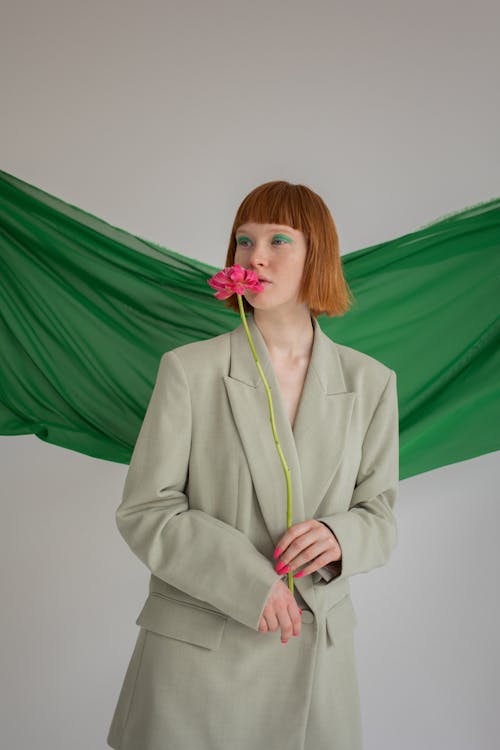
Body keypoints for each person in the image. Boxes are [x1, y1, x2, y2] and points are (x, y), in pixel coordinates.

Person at [106, 181, 399, 750]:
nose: (254, 256)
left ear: (320, 256)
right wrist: (247, 581)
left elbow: (381, 517)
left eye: (277, 239)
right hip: (198, 663)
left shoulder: (371, 382)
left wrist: (340, 536)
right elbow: (147, 509)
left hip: (316, 664)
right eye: (243, 240)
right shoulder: (189, 371)